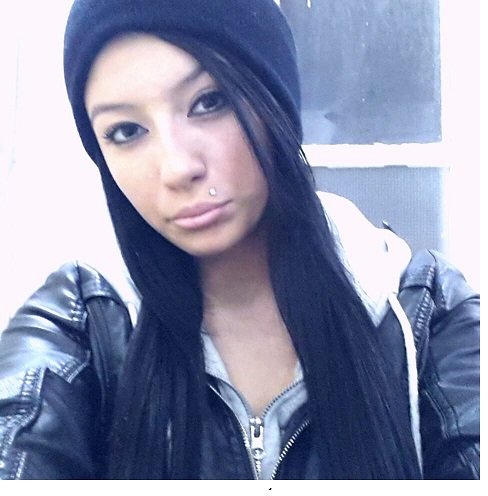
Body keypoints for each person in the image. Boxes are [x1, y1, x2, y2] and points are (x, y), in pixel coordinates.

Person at [0, 0, 479, 480]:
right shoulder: (82, 321)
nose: (177, 168)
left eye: (209, 101)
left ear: (273, 101)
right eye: (126, 131)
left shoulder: (423, 312)